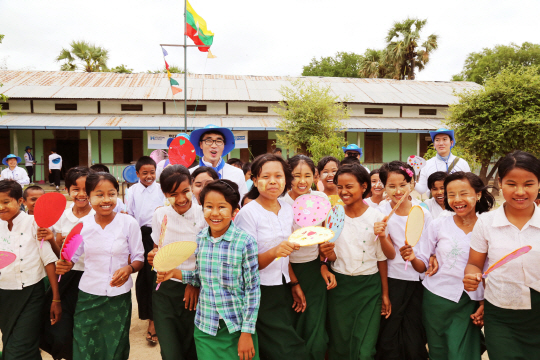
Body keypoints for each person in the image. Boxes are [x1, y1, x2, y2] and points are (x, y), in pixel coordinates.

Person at [155, 179, 261, 360]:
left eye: (222, 207)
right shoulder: (201, 239)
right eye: (208, 206)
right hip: (205, 328)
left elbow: (252, 291)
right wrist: (174, 273)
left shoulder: (245, 242)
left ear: (235, 210)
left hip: (236, 328)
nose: (215, 213)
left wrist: (247, 333)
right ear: (201, 207)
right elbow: (199, 277)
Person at [400, 171, 494, 360]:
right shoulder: (438, 224)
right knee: (439, 350)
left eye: (464, 193)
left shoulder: (489, 226)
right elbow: (422, 266)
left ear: (478, 194)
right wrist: (412, 257)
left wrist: (484, 301)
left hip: (471, 301)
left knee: (463, 353)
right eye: (451, 195)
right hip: (437, 298)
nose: (457, 200)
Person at [56, 172, 144, 360]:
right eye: (99, 194)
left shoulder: (129, 223)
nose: (106, 200)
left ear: (118, 196)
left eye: (111, 194)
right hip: (88, 295)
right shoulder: (82, 225)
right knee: (84, 341)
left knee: (115, 345)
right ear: (88, 197)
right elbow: (72, 257)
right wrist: (65, 264)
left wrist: (129, 269)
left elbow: (139, 258)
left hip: (118, 297)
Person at [464, 151, 540, 360]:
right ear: (500, 182)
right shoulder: (486, 223)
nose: (520, 191)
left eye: (529, 184)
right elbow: (474, 264)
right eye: (511, 183)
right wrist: (471, 277)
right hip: (501, 314)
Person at [235, 154, 307, 360]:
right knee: (284, 348)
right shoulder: (248, 214)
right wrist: (274, 252)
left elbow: (287, 255)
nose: (273, 181)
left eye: (279, 176)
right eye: (265, 177)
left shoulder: (288, 209)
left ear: (286, 180)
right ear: (255, 181)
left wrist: (294, 283)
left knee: (278, 345)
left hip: (282, 288)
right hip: (259, 291)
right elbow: (245, 264)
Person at [320, 164, 392, 359]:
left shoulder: (377, 218)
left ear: (364, 186)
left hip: (368, 288)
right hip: (340, 289)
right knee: (340, 343)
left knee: (365, 348)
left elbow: (382, 259)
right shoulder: (333, 215)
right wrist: (326, 254)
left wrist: (385, 294)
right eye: (339, 187)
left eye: (349, 186)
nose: (343, 191)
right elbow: (330, 257)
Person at [145, 165, 206, 360]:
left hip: (196, 289)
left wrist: (193, 284)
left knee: (192, 347)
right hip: (164, 290)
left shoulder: (204, 215)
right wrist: (153, 255)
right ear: (164, 193)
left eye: (186, 191)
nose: (181, 199)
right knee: (171, 351)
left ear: (192, 188)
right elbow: (158, 248)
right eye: (173, 194)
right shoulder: (160, 215)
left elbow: (208, 257)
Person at [375, 161, 432, 360]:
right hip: (392, 280)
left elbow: (425, 255)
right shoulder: (381, 213)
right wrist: (382, 236)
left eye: (403, 184)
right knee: (389, 333)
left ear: (412, 184)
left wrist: (414, 257)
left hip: (417, 281)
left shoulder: (423, 213)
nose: (398, 191)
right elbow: (389, 255)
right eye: (391, 186)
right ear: (384, 187)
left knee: (414, 333)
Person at [0, 179, 61, 359]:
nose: (1, 207)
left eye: (5, 202)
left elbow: (49, 261)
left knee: (19, 348)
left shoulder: (35, 223)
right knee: (10, 339)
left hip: (31, 294)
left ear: (20, 201)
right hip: (4, 295)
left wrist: (56, 298)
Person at [41, 167, 94, 360]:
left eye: (86, 189)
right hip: (67, 278)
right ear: (67, 190)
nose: (81, 194)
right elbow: (61, 255)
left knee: (85, 328)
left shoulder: (98, 216)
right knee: (61, 330)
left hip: (90, 278)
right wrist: (50, 239)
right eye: (75, 189)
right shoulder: (62, 215)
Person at [282, 155, 330, 360]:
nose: (302, 181)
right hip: (286, 271)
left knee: (314, 322)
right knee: (292, 320)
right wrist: (293, 281)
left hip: (314, 269)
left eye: (307, 175)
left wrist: (323, 264)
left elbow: (326, 237)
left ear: (315, 176)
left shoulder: (322, 199)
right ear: (288, 177)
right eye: (296, 176)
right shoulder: (281, 203)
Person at [126, 156, 165, 344]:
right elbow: (131, 217)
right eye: (144, 173)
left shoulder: (162, 189)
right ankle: (149, 315)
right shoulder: (132, 191)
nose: (149, 176)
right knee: (143, 278)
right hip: (140, 236)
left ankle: (154, 321)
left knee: (155, 276)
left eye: (152, 172)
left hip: (159, 236)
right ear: (137, 174)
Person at [188, 125, 248, 200]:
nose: (214, 145)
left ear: (224, 145)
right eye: (208, 141)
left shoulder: (237, 173)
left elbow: (243, 203)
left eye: (219, 141)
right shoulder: (189, 174)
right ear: (201, 145)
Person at [415, 129, 471, 195]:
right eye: (437, 140)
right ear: (434, 145)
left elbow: (469, 186)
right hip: (434, 204)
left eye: (444, 139)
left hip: (456, 203)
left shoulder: (462, 163)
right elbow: (422, 190)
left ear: (451, 142)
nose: (441, 143)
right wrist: (411, 181)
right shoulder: (427, 164)